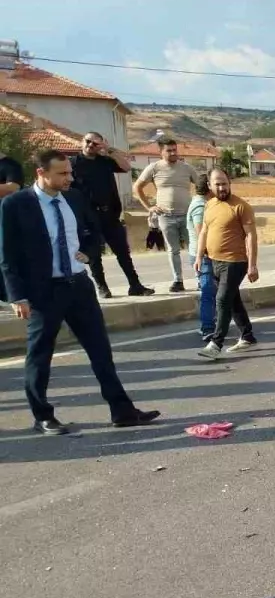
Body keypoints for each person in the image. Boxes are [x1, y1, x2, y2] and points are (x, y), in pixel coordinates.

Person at [0, 150, 159, 434]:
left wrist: (87, 252)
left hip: (78, 286)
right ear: (41, 173)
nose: (68, 178)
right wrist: (17, 296)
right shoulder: (16, 204)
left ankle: (122, 410)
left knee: (101, 351)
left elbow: (92, 231)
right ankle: (43, 416)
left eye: (69, 172)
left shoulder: (73, 197)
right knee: (39, 355)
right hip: (43, 292)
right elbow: (7, 255)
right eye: (62, 173)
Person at [69, 132, 153, 298]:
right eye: (88, 141)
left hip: (110, 214)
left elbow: (127, 167)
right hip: (88, 217)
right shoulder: (73, 164)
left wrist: (109, 150)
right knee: (94, 255)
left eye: (95, 143)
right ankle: (102, 288)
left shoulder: (105, 161)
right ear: (82, 142)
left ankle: (135, 285)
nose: (91, 145)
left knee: (123, 252)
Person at [195, 170, 258, 359]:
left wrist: (252, 265)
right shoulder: (209, 205)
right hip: (215, 261)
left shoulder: (241, 206)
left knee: (222, 300)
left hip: (235, 261)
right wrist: (199, 256)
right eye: (217, 184)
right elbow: (204, 233)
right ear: (209, 185)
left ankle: (216, 343)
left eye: (224, 183)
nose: (222, 188)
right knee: (233, 300)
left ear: (229, 183)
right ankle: (247, 336)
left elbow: (251, 236)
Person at [133, 137, 199, 293]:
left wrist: (199, 205)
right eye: (169, 150)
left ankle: (200, 279)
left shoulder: (187, 168)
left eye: (175, 149)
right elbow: (137, 187)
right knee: (173, 249)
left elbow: (202, 186)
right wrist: (149, 207)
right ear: (161, 152)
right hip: (166, 216)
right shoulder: (153, 168)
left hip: (187, 215)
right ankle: (178, 281)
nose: (173, 153)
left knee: (194, 248)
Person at [186, 173, 216, 340]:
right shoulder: (200, 206)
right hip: (203, 255)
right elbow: (201, 233)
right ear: (208, 187)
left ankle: (214, 323)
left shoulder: (203, 203)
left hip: (205, 254)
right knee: (208, 291)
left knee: (212, 290)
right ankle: (207, 327)